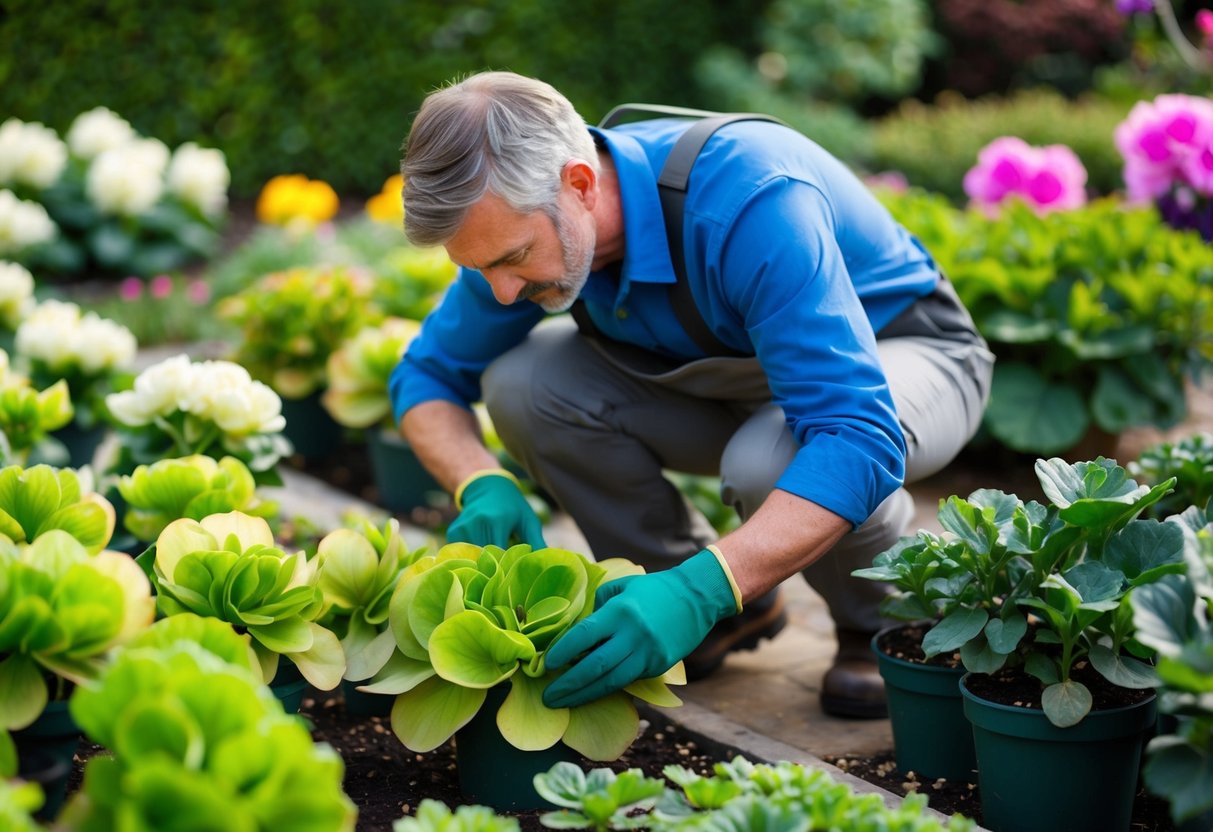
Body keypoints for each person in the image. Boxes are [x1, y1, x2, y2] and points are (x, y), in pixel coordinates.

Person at [389, 71, 993, 718]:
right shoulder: (514, 227)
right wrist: (478, 480)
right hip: (737, 374)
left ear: (580, 184)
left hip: (903, 354)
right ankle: (717, 607)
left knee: (771, 458)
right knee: (523, 384)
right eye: (480, 269)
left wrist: (707, 586)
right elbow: (424, 375)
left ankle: (884, 625)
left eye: (513, 258)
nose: (501, 292)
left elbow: (854, 434)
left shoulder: (749, 202)